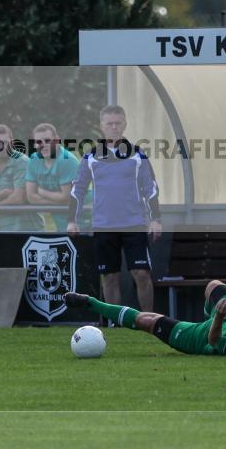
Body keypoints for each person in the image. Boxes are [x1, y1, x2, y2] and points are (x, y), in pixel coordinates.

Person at [67, 105, 160, 313]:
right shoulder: (90, 156)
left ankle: (150, 321)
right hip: (103, 226)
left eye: (118, 123)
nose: (114, 127)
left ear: (125, 124)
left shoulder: (137, 154)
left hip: (134, 224)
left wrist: (156, 219)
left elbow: (151, 188)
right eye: (109, 124)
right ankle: (115, 324)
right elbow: (78, 189)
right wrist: (72, 219)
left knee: (141, 273)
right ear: (102, 126)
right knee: (109, 277)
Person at [64, 281, 226, 356]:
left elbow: (214, 341)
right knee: (214, 286)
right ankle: (211, 311)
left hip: (202, 335)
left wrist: (218, 317)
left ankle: (90, 302)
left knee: (148, 321)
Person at [0, 124, 42, 231]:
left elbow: (17, 199)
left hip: (26, 231)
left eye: (5, 143)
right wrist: (3, 193)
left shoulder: (22, 162)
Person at [25, 123, 80, 231]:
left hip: (83, 220)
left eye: (47, 140)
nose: (43, 145)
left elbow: (66, 197)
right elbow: (31, 196)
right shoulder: (33, 160)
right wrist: (57, 203)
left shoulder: (67, 160)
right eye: (38, 142)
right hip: (61, 221)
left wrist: (42, 192)